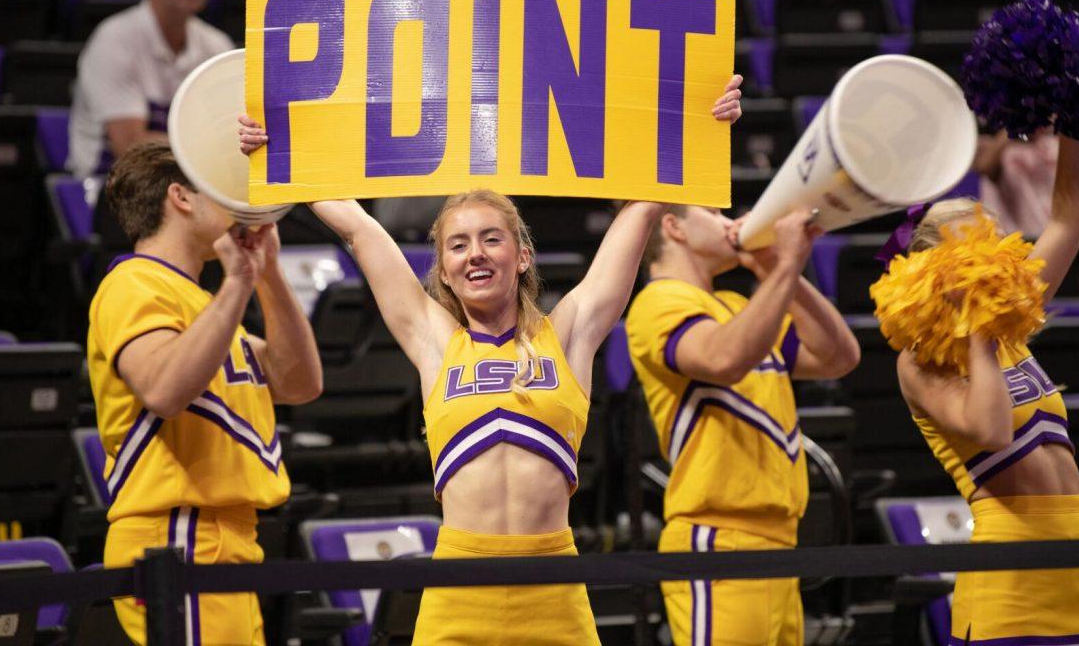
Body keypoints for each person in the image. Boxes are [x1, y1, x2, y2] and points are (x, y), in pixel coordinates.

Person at [238, 74, 744, 644]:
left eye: (491, 239)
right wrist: (278, 147)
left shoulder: (570, 333)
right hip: (458, 587)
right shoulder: (433, 340)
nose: (474, 253)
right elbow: (357, 227)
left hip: (555, 585)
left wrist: (702, 122)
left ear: (522, 254)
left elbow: (644, 206)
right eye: (458, 244)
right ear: (443, 267)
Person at [88, 142, 322, 646]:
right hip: (174, 537)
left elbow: (299, 382)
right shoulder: (133, 283)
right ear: (181, 196)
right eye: (219, 184)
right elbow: (164, 389)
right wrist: (238, 283)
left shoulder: (204, 304)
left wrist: (270, 274)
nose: (239, 202)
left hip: (228, 538)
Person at [889, 135, 1079, 642]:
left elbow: (1070, 216)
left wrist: (1075, 122)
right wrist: (977, 327)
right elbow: (993, 430)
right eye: (972, 253)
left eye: (994, 244)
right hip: (1012, 583)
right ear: (932, 271)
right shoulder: (923, 360)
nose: (992, 263)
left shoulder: (1008, 322)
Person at [625, 205, 860, 646]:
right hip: (716, 541)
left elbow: (838, 357)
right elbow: (722, 359)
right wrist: (785, 266)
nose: (730, 222)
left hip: (778, 540)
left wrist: (779, 268)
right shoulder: (658, 301)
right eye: (713, 213)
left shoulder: (735, 305)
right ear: (674, 227)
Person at [68, 0, 233, 179]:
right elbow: (131, 147)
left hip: (186, 185)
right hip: (112, 187)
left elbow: (231, 134)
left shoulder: (217, 46)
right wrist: (212, 147)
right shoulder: (114, 39)